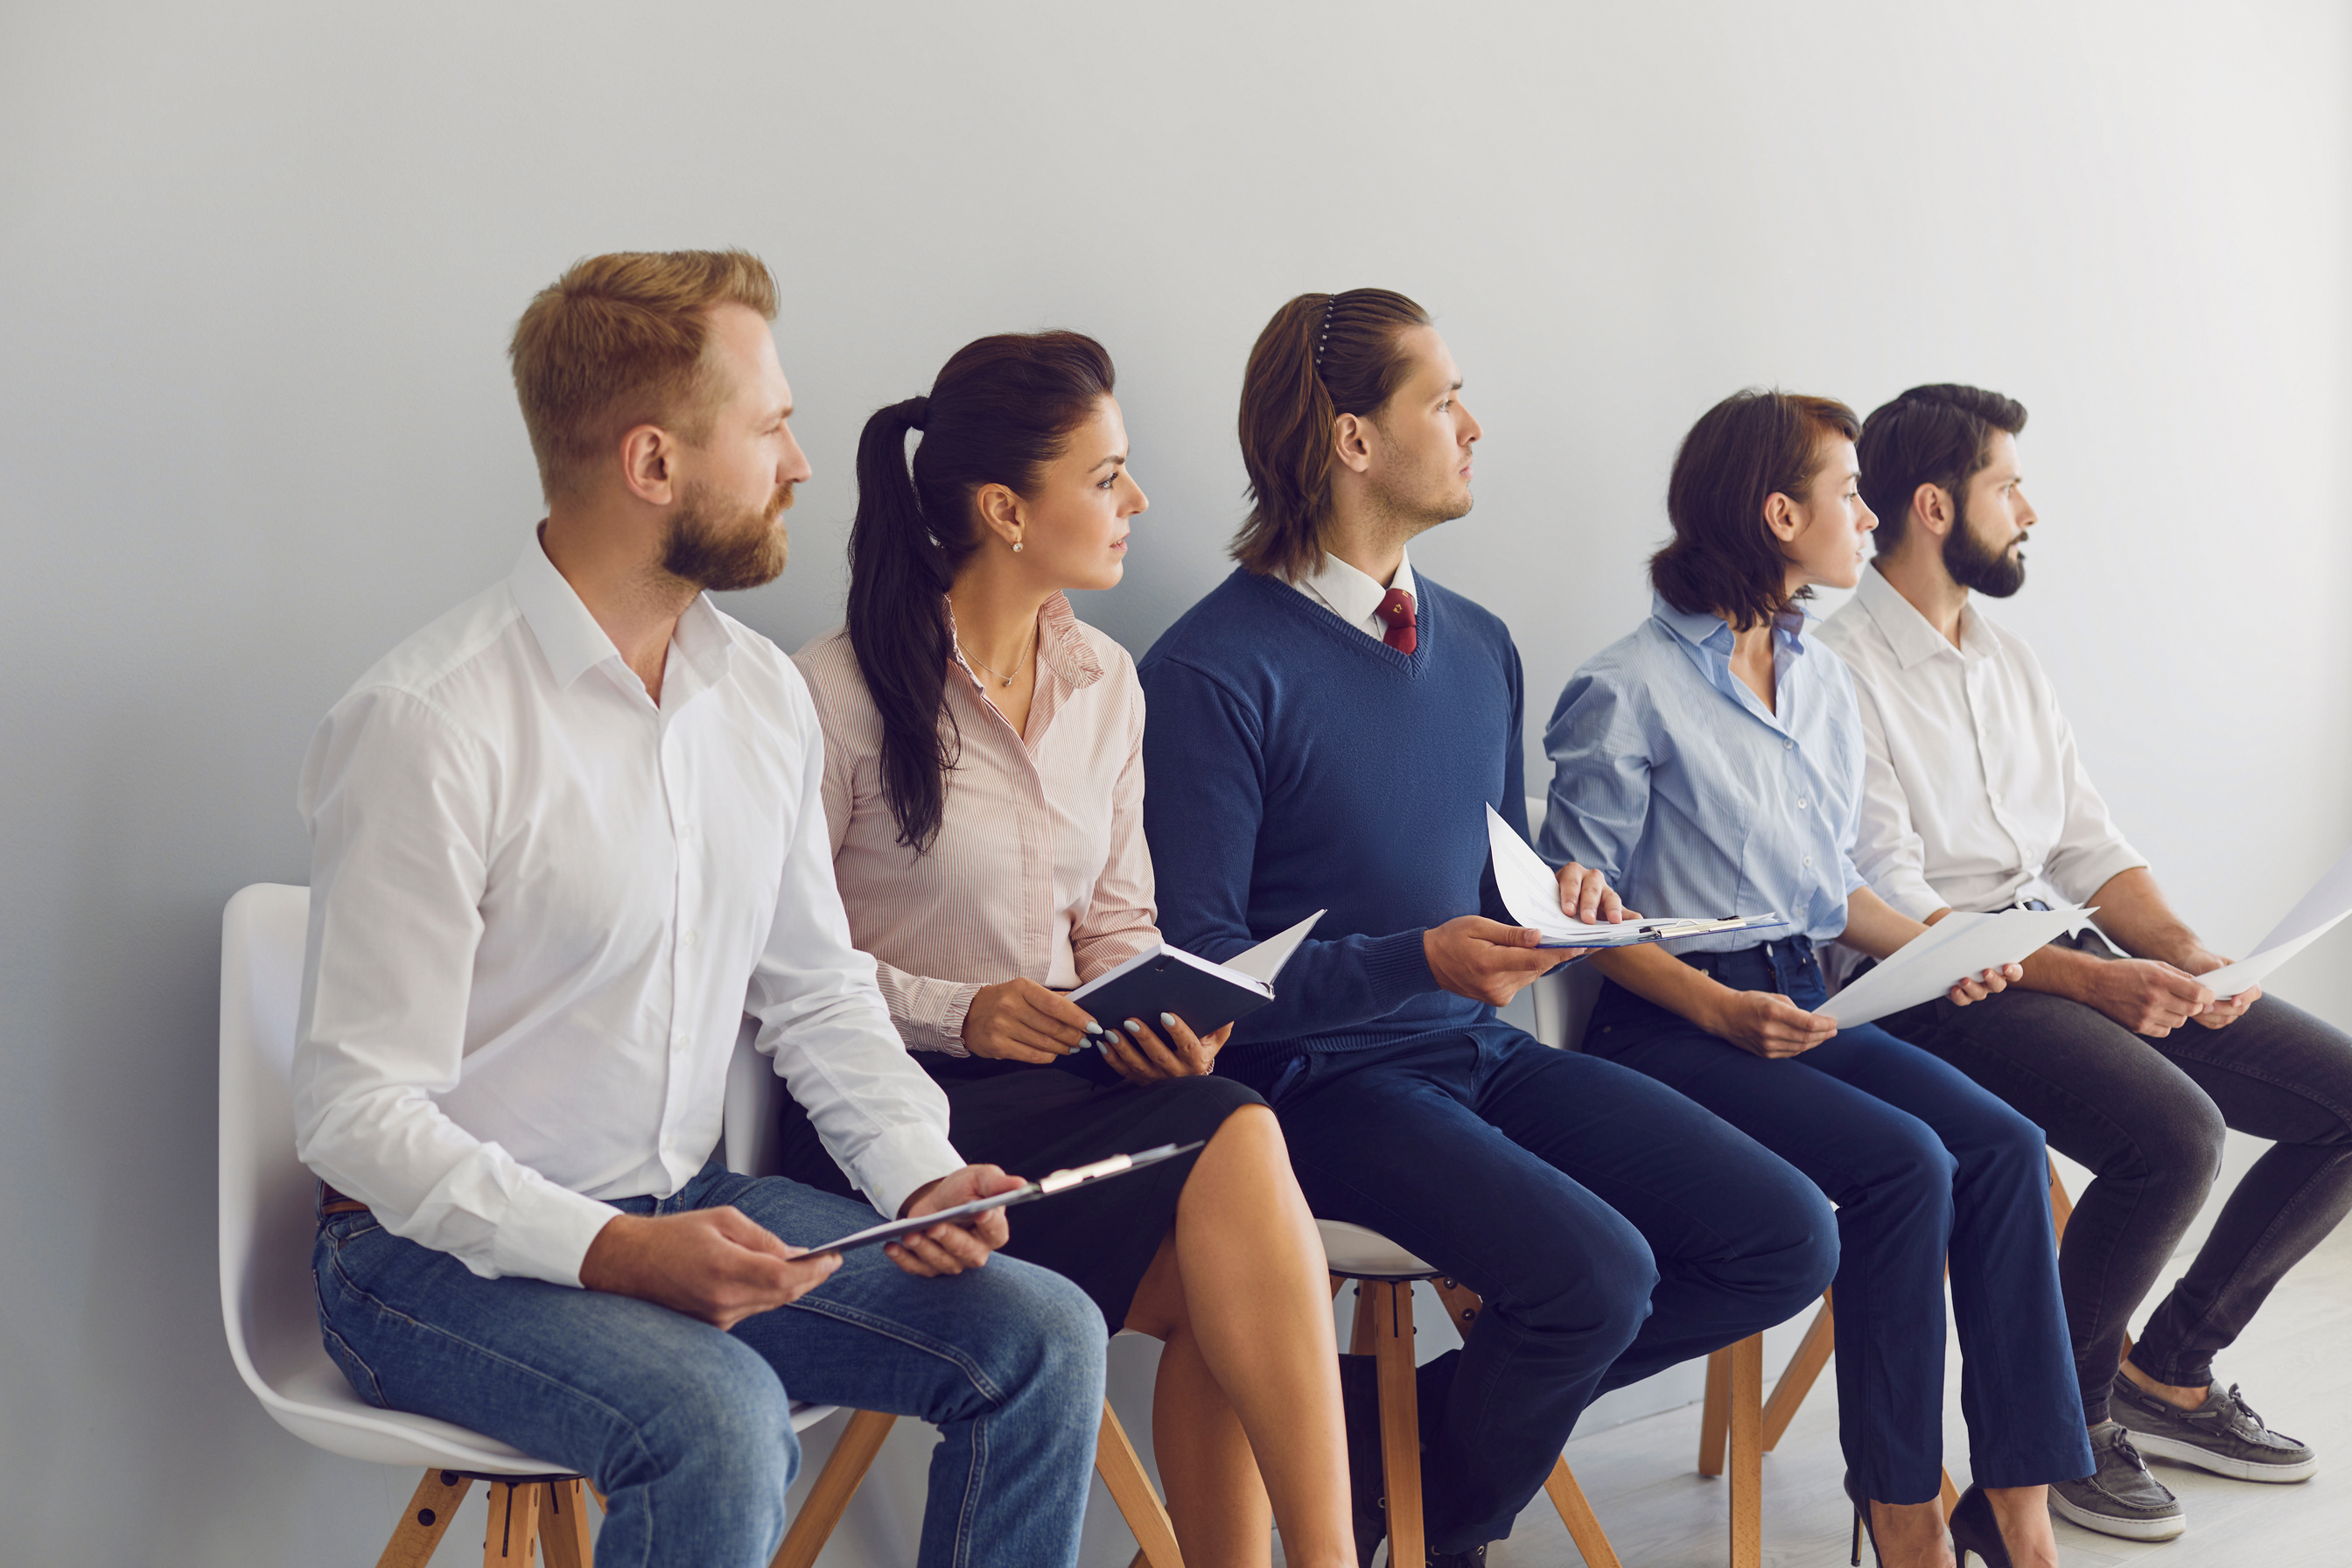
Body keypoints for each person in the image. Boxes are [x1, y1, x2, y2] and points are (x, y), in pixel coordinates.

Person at [291, 251, 1106, 1568]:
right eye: (772, 427)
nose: (799, 463)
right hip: (419, 1259)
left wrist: (920, 1168)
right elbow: (356, 1115)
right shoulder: (430, 724)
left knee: (1042, 1337)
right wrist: (613, 1251)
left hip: (676, 1201)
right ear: (653, 464)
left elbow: (815, 987)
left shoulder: (757, 696)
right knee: (723, 1417)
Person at [1138, 290, 1840, 1567]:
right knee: (1598, 1276)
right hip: (1314, 1088)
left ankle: (1366, 1467)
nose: (1473, 424)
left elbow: (1489, 881)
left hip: (1476, 1052)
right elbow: (1203, 986)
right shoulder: (1209, 672)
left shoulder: (1479, 645)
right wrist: (1418, 959)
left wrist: (1561, 900)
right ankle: (1433, 1533)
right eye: (1442, 398)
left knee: (1786, 1234)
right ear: (1354, 439)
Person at [774, 330, 1355, 1568]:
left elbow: (1119, 927)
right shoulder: (826, 698)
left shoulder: (1110, 684)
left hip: (1065, 1090)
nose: (1137, 501)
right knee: (1240, 1144)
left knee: (1225, 1138)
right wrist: (960, 1011)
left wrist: (1158, 1017)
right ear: (1005, 510)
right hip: (893, 1120)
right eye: (1106, 476)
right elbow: (777, 965)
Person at [1541, 388, 2093, 1568]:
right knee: (1906, 1166)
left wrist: (1944, 952)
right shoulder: (1627, 687)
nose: (1866, 512)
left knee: (2001, 1149)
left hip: (1804, 1000)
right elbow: (1573, 919)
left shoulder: (1823, 680)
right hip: (1673, 1022)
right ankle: (1902, 1517)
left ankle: (2022, 1520)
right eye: (1847, 493)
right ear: (1780, 513)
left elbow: (1833, 891)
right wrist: (1714, 1007)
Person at [1818, 383, 2350, 1542]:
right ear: (1932, 504)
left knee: (2344, 1097)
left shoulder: (2007, 660)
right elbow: (1898, 905)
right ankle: (2058, 1430)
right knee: (2174, 1136)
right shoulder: (1838, 670)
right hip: (1935, 989)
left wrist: (2190, 955)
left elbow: (2087, 845)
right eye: (2009, 485)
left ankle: (2172, 1370)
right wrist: (2100, 978)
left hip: (2056, 948)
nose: (2030, 511)